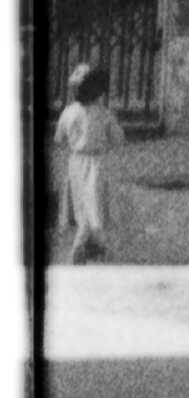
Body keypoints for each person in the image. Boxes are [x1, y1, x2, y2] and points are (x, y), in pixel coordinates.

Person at [55, 55, 118, 265]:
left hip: (76, 162)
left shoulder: (68, 113)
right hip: (96, 162)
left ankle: (90, 242)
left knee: (81, 201)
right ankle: (84, 244)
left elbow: (59, 138)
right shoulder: (104, 114)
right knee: (95, 201)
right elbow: (118, 139)